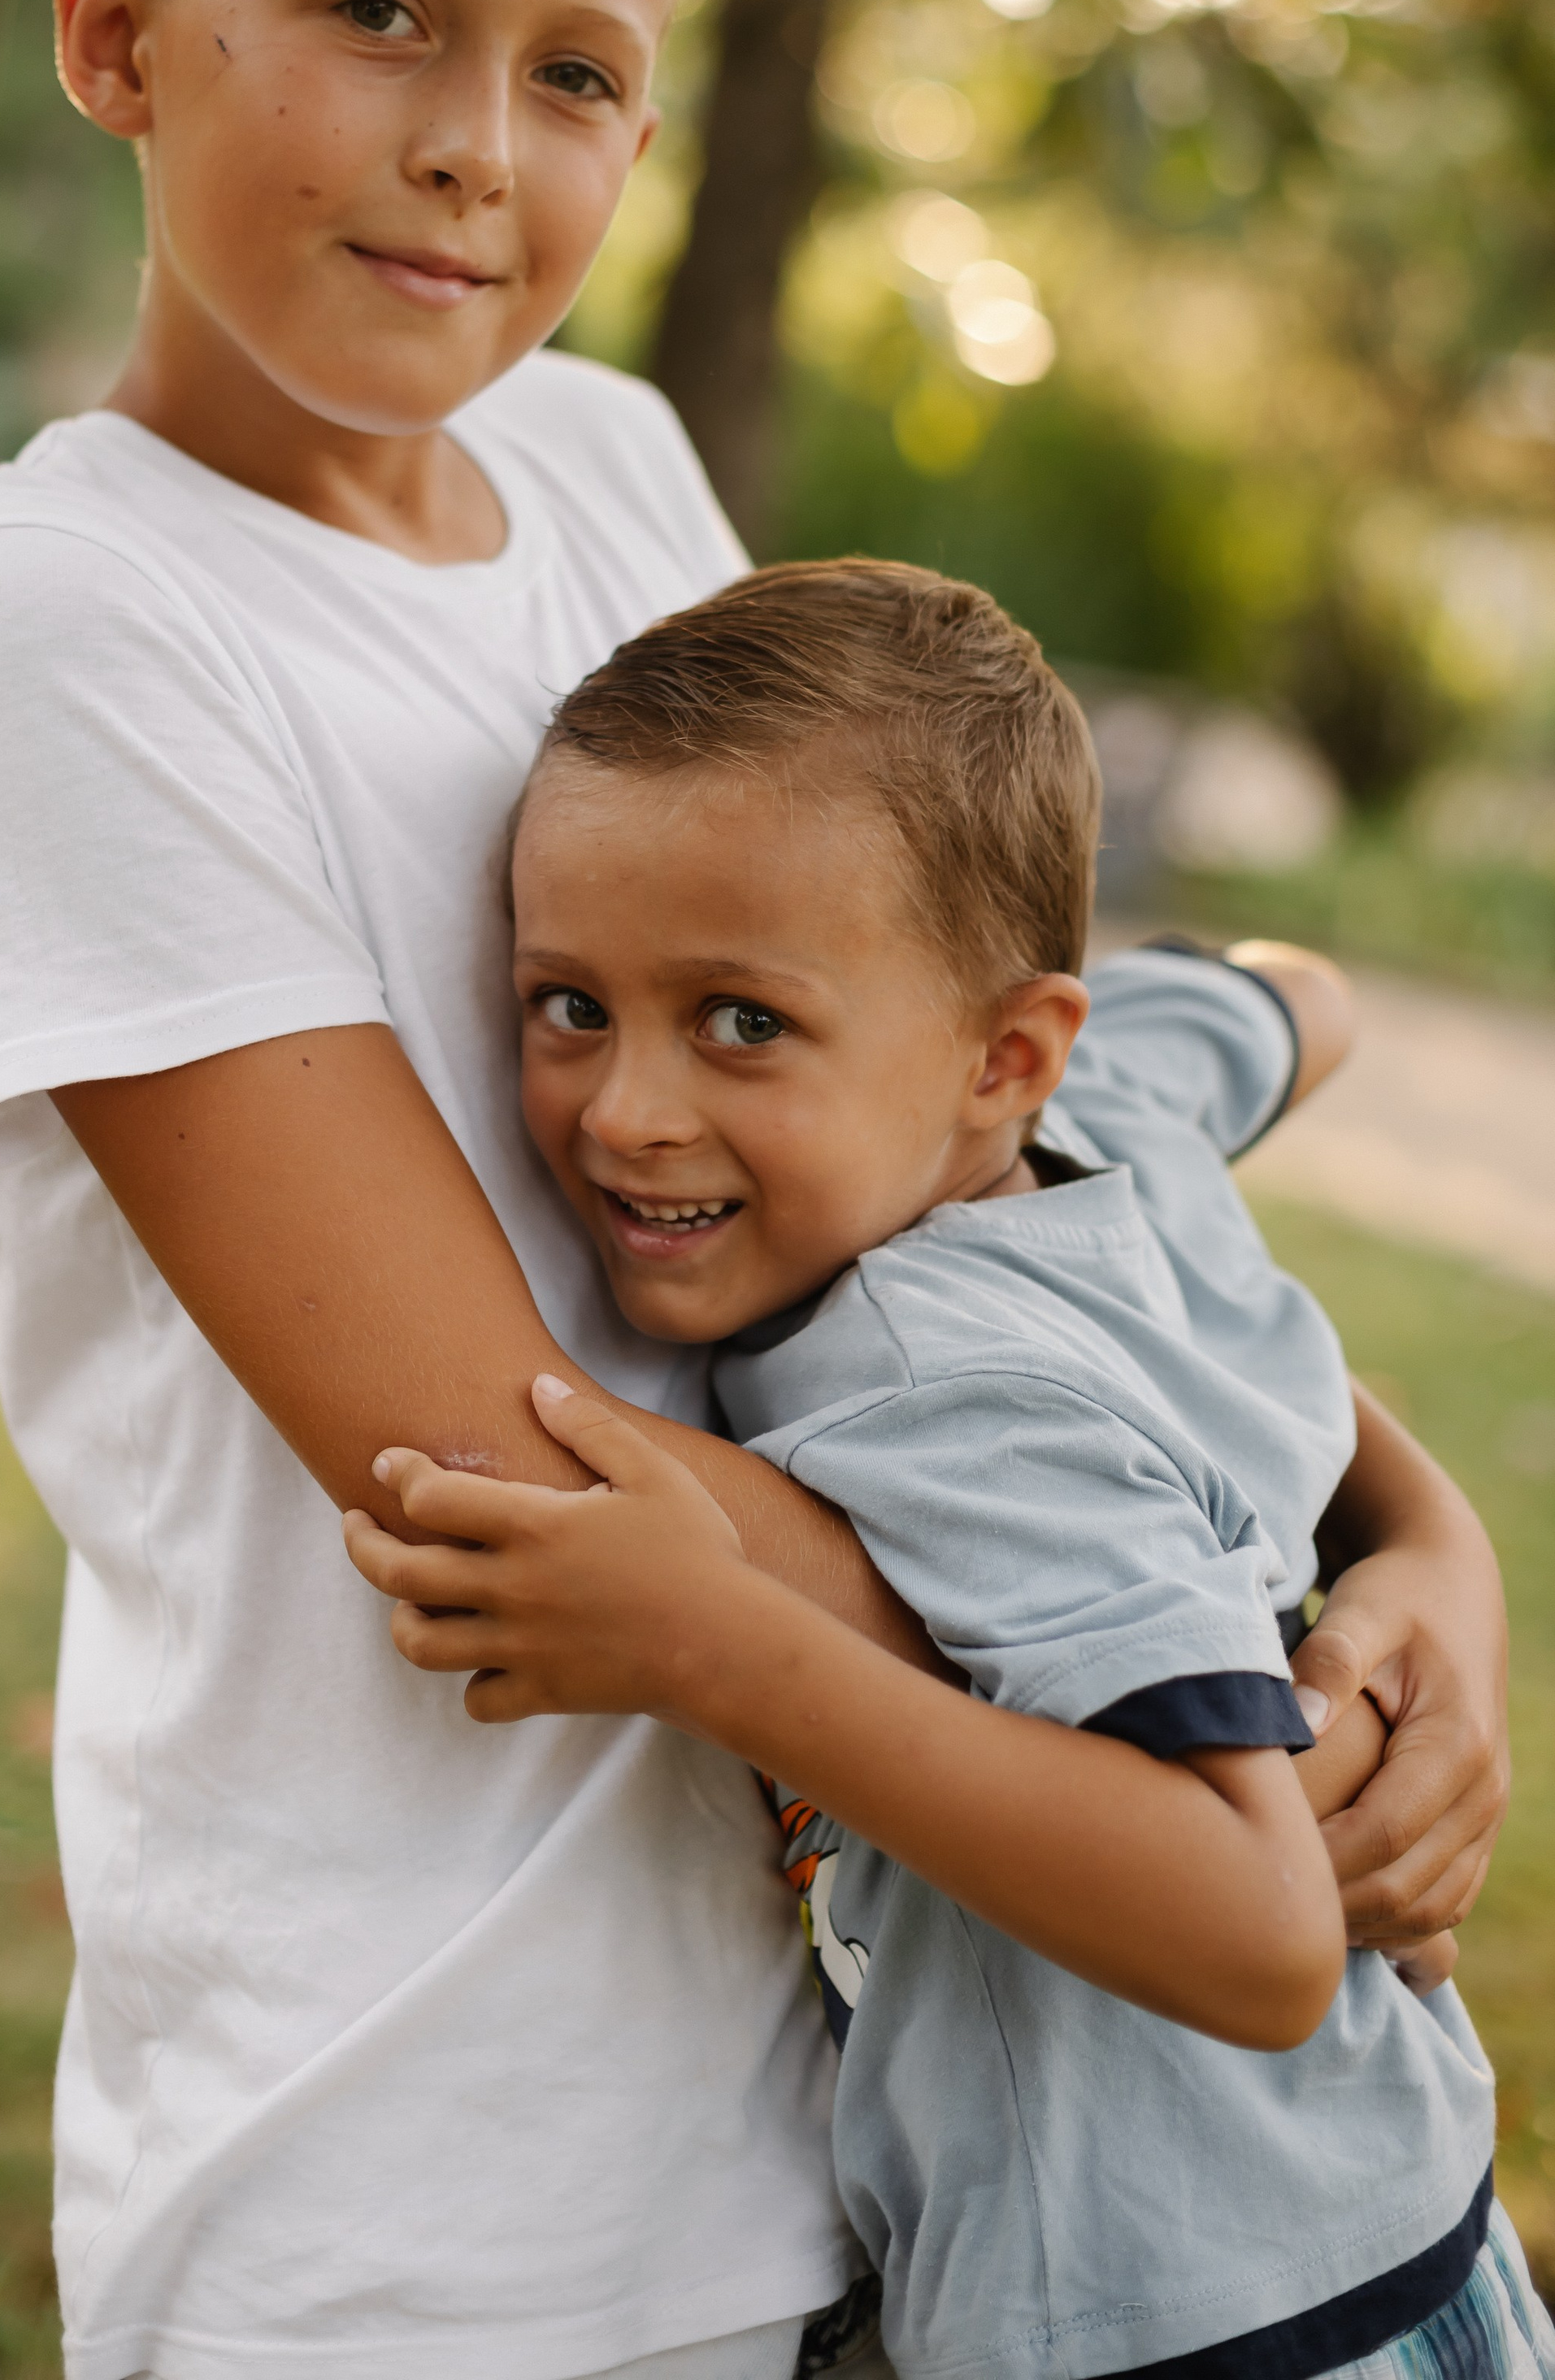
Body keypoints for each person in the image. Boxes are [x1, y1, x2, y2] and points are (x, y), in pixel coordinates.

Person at [0, 0, 1508, 2380]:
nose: (476, 144)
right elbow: (507, 1485)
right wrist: (1192, 1692)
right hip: (423, 2184)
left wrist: (1408, 1559)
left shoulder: (610, 468)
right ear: (116, 33)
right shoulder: (76, 624)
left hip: (861, 2128)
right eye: (380, 11)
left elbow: (954, 1132)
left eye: (579, 71)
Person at [344, 558, 1542, 2380]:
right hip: (1393, 2231)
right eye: (568, 1003)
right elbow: (1298, 995)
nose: (626, 1110)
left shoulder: (949, 1392)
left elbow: (1255, 1933)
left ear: (1003, 1056)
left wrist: (716, 1647)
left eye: (743, 1021)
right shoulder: (1109, 1104)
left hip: (1195, 2330)